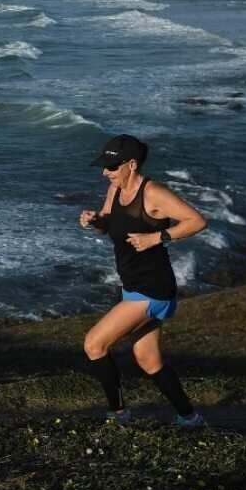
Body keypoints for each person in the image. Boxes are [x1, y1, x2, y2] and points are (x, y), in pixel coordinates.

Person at [77, 134, 207, 427]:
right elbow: (108, 224)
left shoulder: (153, 194)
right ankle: (190, 417)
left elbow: (197, 221)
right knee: (148, 359)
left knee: (94, 344)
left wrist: (156, 237)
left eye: (112, 166)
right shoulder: (114, 190)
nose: (105, 172)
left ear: (131, 164)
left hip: (153, 287)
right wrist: (94, 221)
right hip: (133, 286)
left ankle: (119, 414)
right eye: (104, 166)